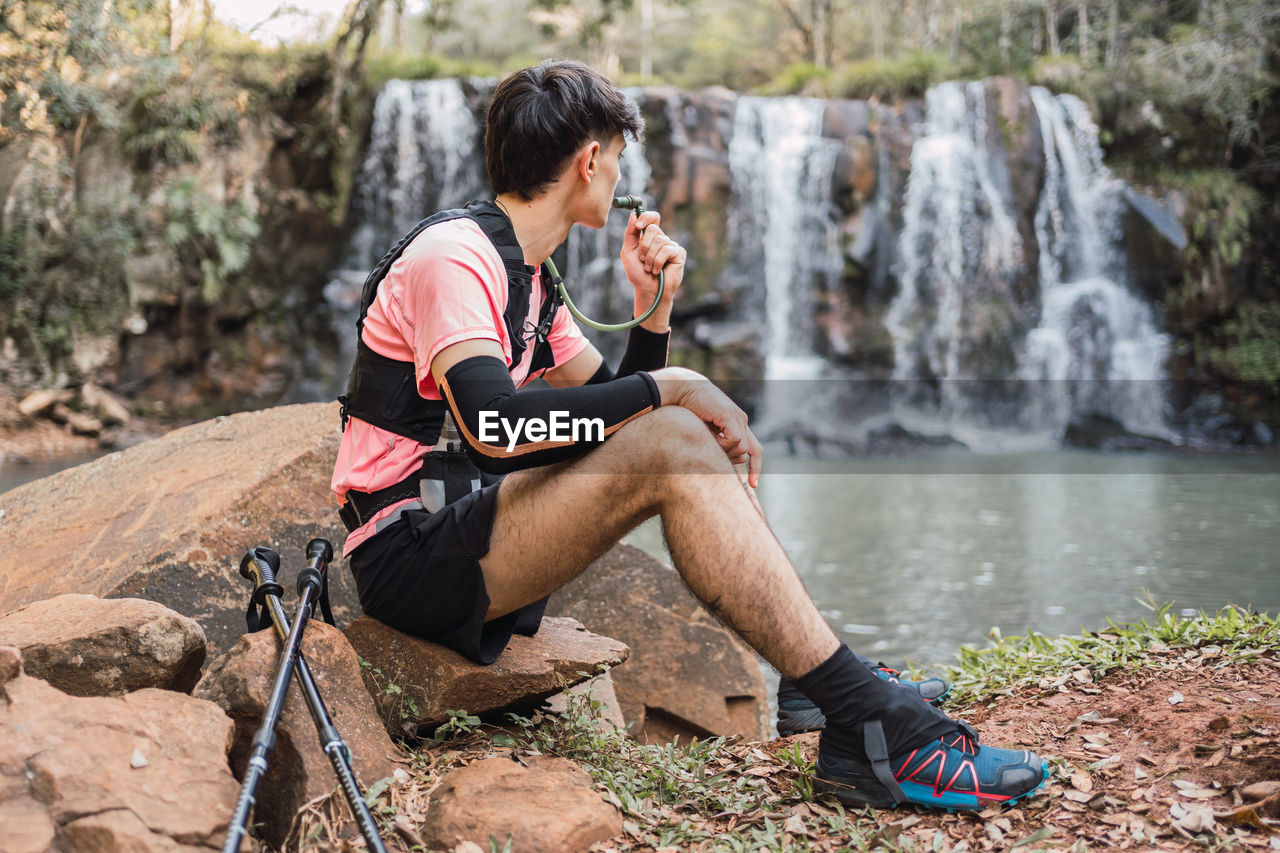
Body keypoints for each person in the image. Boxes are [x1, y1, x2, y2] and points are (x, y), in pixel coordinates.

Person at [331, 59, 1047, 812]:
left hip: (468, 535)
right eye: (619, 156)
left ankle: (816, 683)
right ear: (590, 160)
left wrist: (655, 310)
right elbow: (497, 430)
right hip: (407, 558)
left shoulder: (533, 278)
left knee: (673, 434)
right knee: (674, 433)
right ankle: (868, 715)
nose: (619, 174)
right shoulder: (457, 257)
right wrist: (670, 386)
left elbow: (615, 422)